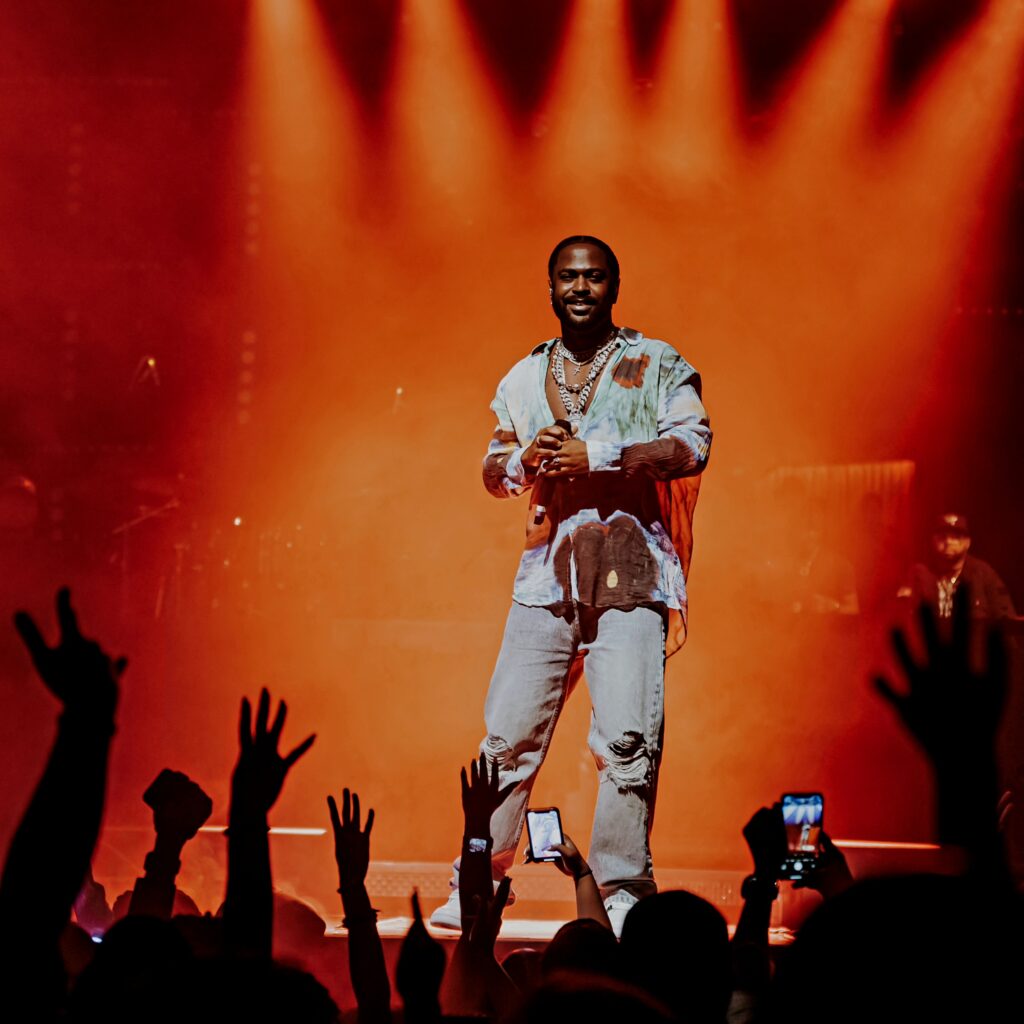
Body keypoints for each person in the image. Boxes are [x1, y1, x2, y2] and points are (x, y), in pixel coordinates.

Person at [430, 235, 712, 935]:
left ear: (614, 286)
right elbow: (494, 472)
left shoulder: (657, 363)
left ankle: (621, 887)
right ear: (551, 288)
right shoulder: (523, 380)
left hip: (632, 576)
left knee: (625, 741)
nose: (580, 288)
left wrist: (603, 452)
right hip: (546, 581)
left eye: (593, 277)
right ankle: (479, 878)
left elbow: (690, 445)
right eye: (568, 277)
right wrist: (522, 460)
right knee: (506, 739)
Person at [898, 513, 1016, 620]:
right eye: (942, 536)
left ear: (967, 542)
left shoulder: (984, 575)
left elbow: (1007, 621)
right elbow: (899, 618)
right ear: (933, 541)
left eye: (956, 537)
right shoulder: (918, 574)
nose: (948, 542)